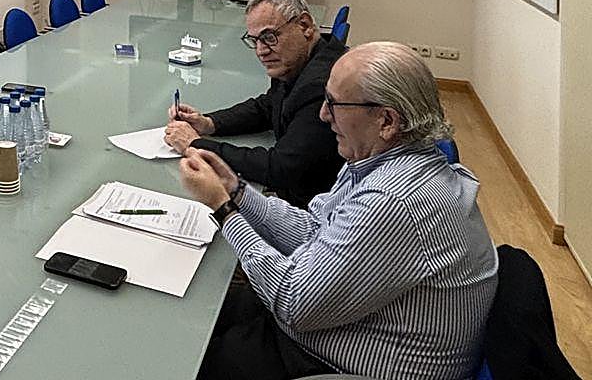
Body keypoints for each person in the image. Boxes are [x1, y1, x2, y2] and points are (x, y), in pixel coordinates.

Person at [179, 42, 498, 380]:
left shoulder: (392, 201)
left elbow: (293, 302)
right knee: (200, 314)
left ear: (387, 121)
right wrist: (237, 190)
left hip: (336, 362)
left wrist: (224, 210)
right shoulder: (380, 159)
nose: (323, 115)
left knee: (188, 356)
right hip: (336, 325)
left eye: (333, 104)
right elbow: (315, 231)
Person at [164, 0, 345, 207]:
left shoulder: (323, 86)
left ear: (304, 26)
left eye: (269, 37)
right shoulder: (299, 61)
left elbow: (279, 168)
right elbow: (267, 107)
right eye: (255, 40)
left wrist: (196, 144)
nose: (261, 51)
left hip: (309, 213)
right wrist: (209, 123)